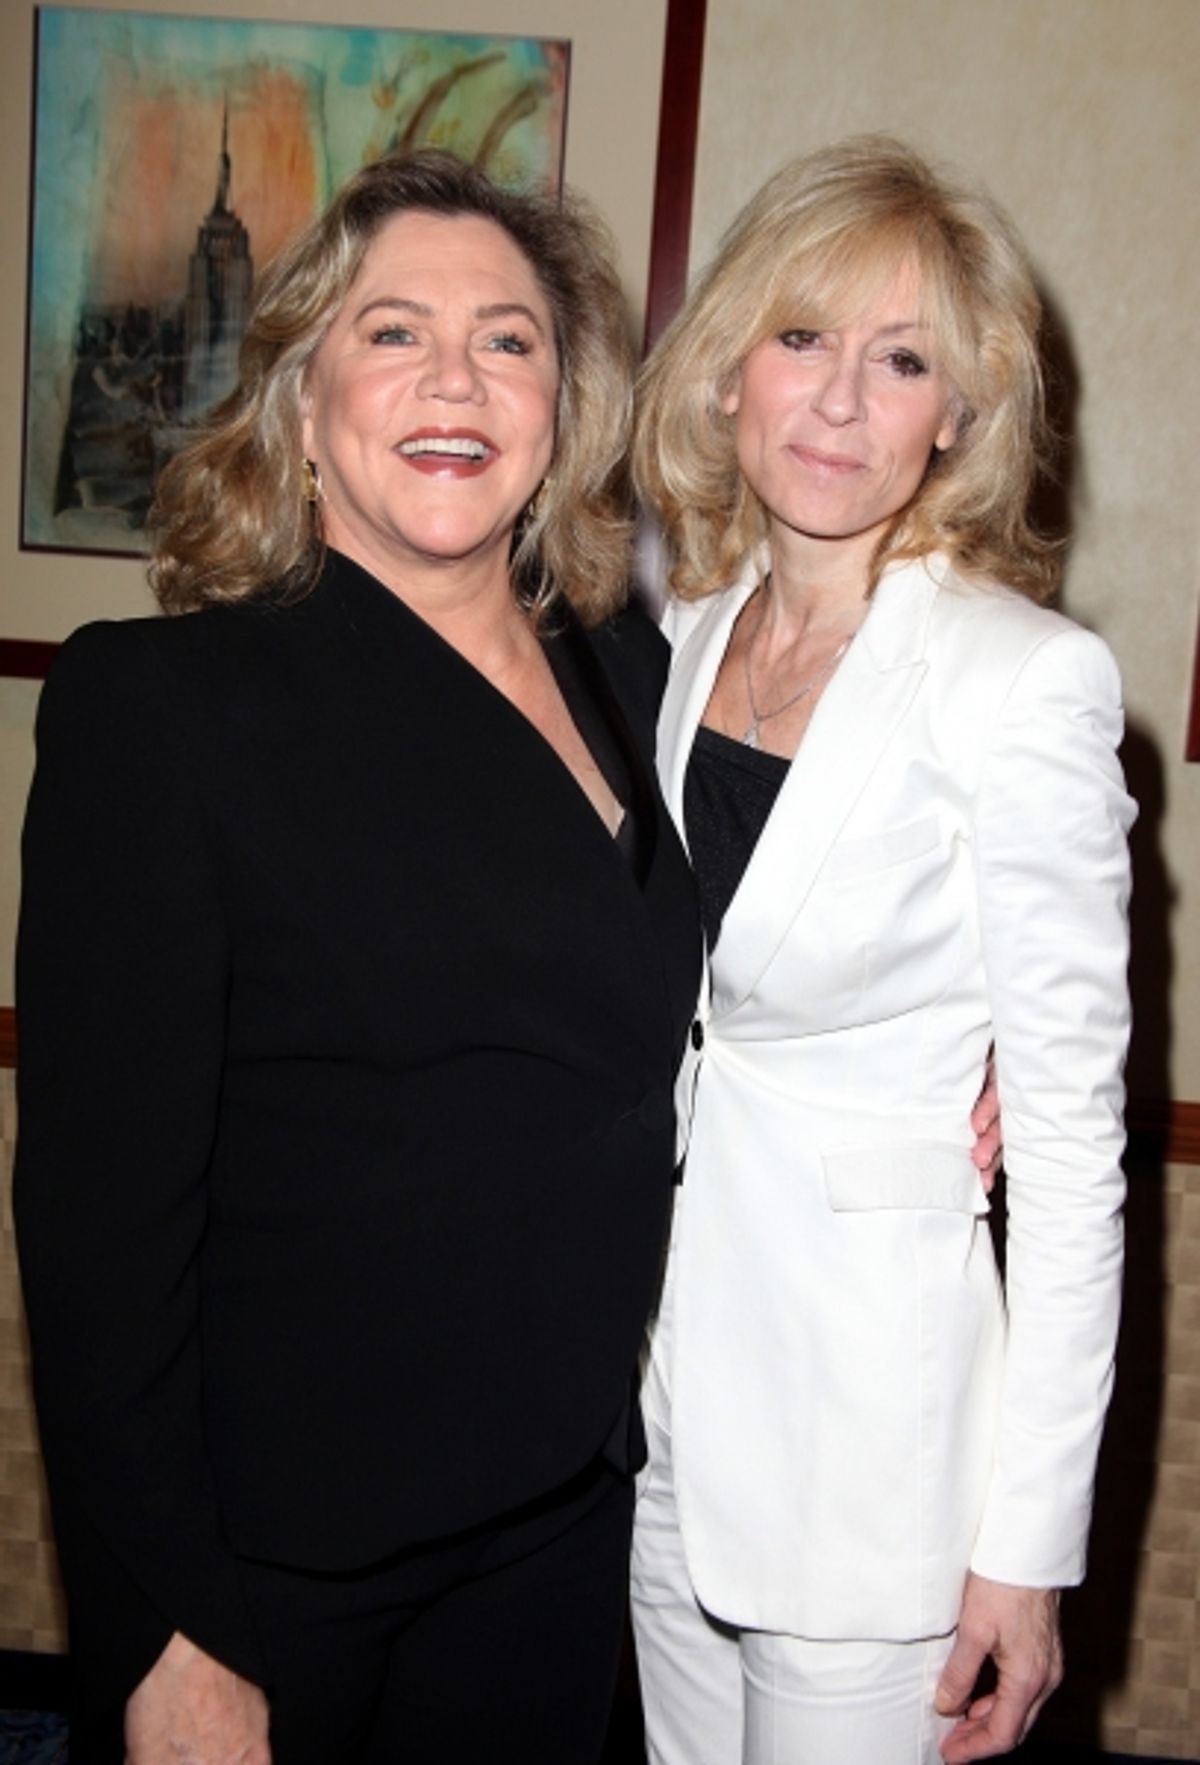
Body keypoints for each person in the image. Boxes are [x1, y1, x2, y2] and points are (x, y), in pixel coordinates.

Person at [15, 149, 703, 1764]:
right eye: (395, 334)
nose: (457, 379)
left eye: (510, 339)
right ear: (305, 399)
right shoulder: (161, 713)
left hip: (566, 1516)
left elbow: (768, 945)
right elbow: (98, 1239)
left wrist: (974, 1057)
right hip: (283, 1572)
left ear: (561, 407)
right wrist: (166, 1628)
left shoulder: (638, 672)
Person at [629, 136, 1134, 1765]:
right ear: (723, 378)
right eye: (802, 340)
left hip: (874, 1457)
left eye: (901, 360)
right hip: (663, 1420)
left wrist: (1029, 1551)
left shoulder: (1025, 680)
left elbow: (1070, 1152)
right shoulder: (680, 637)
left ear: (957, 418)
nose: (843, 402)